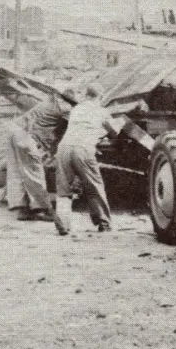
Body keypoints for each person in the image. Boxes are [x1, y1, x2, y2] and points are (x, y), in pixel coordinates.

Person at [54, 83, 118, 235]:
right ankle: (103, 222)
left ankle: (63, 225)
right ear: (100, 97)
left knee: (63, 189)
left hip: (63, 148)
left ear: (86, 96)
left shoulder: (76, 109)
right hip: (83, 148)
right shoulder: (101, 111)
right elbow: (115, 132)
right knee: (94, 185)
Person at [5, 93, 71, 227]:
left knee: (17, 171)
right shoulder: (64, 108)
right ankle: (39, 210)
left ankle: (21, 209)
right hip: (28, 136)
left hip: (14, 130)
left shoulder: (47, 101)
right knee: (35, 173)